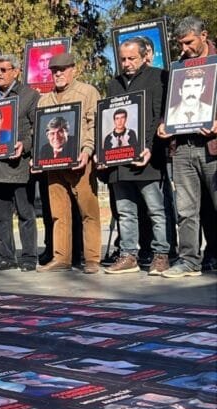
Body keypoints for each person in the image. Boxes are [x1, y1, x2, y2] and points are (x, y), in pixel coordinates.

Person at [103, 37, 171, 276]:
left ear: (145, 56)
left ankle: (162, 254)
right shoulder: (113, 84)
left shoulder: (157, 77)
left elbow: (158, 117)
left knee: (156, 209)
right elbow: (107, 122)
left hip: (147, 159)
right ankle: (128, 255)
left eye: (132, 58)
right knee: (125, 211)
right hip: (118, 161)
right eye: (122, 59)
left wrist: (149, 148)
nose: (127, 63)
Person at [158, 16, 217, 278]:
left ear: (203, 36)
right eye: (180, 44)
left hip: (212, 147)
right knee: (186, 210)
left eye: (189, 42)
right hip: (182, 147)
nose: (184, 49)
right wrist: (164, 125)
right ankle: (189, 260)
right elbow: (168, 106)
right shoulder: (177, 69)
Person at [36, 53, 102, 274]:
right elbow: (40, 133)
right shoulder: (45, 100)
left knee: (88, 210)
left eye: (63, 69)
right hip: (53, 165)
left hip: (80, 162)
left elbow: (95, 124)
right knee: (58, 213)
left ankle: (92, 258)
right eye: (55, 70)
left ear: (73, 69)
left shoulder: (88, 92)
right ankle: (61, 257)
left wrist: (87, 151)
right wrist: (37, 158)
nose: (58, 74)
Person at [0, 54, 39, 272]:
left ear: (16, 72)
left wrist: (24, 146)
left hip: (20, 165)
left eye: (4, 70)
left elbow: (37, 128)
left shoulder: (29, 96)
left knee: (25, 213)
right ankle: (6, 257)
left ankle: (29, 257)